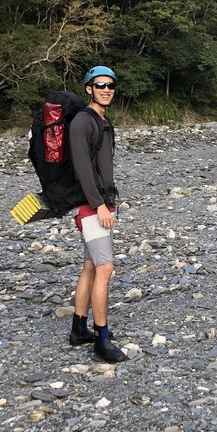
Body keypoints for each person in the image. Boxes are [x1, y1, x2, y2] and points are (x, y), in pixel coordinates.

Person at [68, 66, 125, 363]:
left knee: (91, 265)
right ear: (88, 88)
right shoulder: (82, 121)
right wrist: (99, 205)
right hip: (91, 205)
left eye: (111, 85)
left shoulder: (102, 120)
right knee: (105, 268)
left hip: (99, 201)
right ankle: (102, 340)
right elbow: (82, 168)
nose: (106, 89)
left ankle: (79, 328)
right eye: (99, 85)